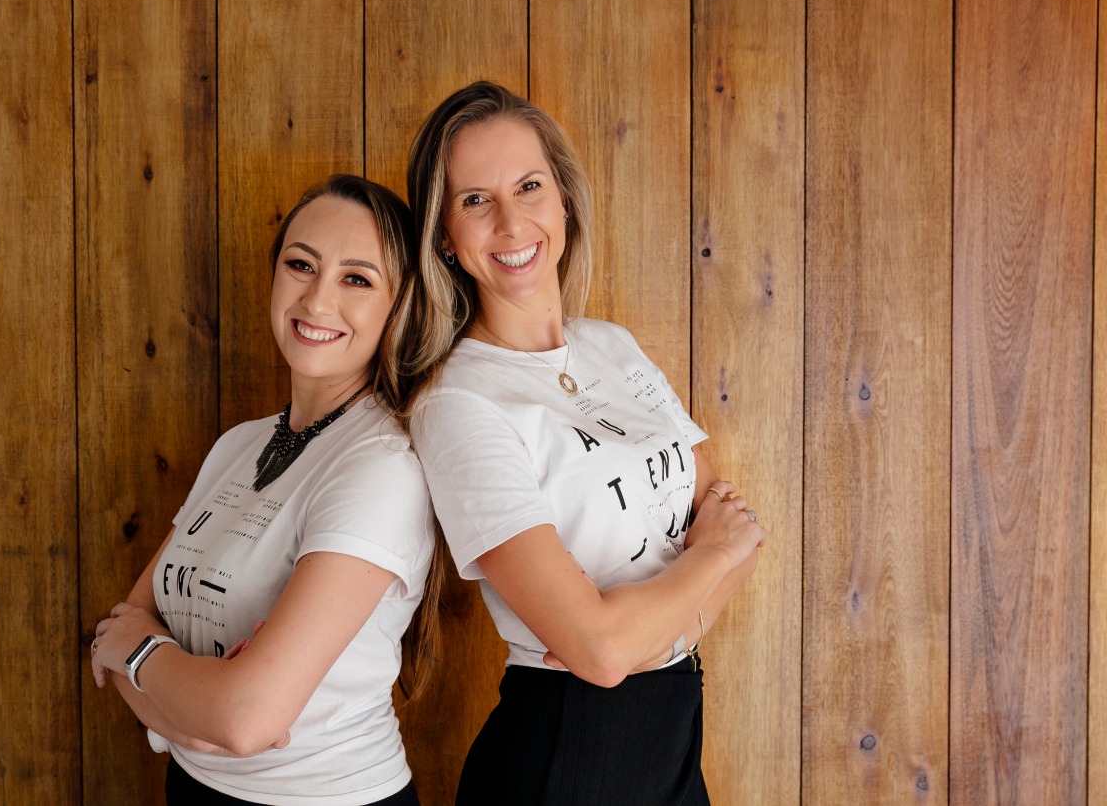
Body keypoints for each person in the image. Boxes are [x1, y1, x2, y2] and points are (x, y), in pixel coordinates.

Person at [396, 82, 767, 805]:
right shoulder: (457, 404)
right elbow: (599, 649)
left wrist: (644, 635)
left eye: (529, 186)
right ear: (444, 233)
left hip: (671, 744)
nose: (512, 221)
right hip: (564, 756)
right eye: (475, 200)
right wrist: (707, 562)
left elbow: (738, 527)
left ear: (563, 198)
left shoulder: (613, 347)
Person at [90, 174, 438, 806]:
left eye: (357, 279)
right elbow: (126, 621)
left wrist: (142, 656)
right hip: (194, 787)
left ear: (401, 305)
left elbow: (242, 717)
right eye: (301, 265)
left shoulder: (381, 467)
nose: (317, 300)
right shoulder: (238, 445)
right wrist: (192, 717)